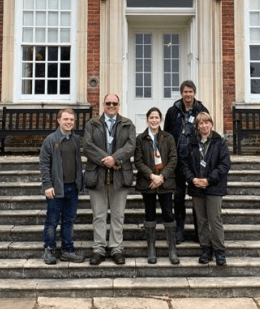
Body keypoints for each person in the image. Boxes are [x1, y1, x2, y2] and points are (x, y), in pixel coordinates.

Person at [83, 93, 136, 265]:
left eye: (114, 103)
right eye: (108, 103)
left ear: (119, 105)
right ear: (103, 105)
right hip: (97, 175)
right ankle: (98, 248)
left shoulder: (128, 124)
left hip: (120, 176)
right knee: (98, 215)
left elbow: (131, 146)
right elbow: (88, 146)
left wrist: (116, 158)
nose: (111, 106)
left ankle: (116, 248)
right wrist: (107, 160)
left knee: (118, 215)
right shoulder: (92, 124)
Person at [182, 112, 231, 266]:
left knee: (214, 219)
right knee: (201, 220)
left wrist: (209, 180)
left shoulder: (219, 142)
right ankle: (206, 249)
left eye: (206, 122)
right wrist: (192, 179)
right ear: (197, 126)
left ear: (211, 124)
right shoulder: (192, 143)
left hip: (214, 187)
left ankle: (219, 251)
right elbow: (184, 164)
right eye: (201, 123)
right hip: (196, 187)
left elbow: (224, 165)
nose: (204, 126)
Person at [164, 80, 209, 244]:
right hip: (177, 161)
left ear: (194, 93)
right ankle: (179, 231)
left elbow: (207, 133)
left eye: (190, 92)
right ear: (181, 93)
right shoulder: (172, 111)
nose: (188, 95)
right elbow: (167, 136)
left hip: (195, 161)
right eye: (185, 92)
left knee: (197, 196)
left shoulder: (201, 110)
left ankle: (199, 232)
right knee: (178, 196)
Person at [133, 107, 180, 265]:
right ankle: (151, 249)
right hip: (148, 183)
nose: (154, 120)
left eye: (156, 118)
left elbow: (173, 159)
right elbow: (138, 161)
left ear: (160, 120)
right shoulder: (140, 139)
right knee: (150, 214)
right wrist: (152, 176)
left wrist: (161, 177)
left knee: (168, 214)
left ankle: (172, 249)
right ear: (147, 120)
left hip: (165, 182)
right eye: (151, 118)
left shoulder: (168, 137)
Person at [39, 108, 84, 265]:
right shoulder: (51, 140)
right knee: (52, 220)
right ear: (58, 120)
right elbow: (44, 164)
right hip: (56, 188)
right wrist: (47, 185)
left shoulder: (75, 140)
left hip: (72, 188)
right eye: (66, 119)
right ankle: (49, 250)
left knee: (69, 221)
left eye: (71, 120)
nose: (69, 122)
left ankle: (67, 250)